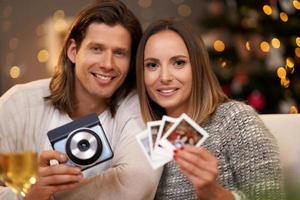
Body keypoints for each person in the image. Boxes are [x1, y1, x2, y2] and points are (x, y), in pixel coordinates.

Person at [0, 1, 162, 200]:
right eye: (97, 49)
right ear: (73, 51)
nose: (107, 64)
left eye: (119, 53)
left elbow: (138, 182)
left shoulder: (143, 109)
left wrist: (45, 195)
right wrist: (27, 195)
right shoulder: (20, 103)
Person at [136, 18, 285, 200]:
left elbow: (271, 197)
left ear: (198, 67)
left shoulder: (234, 120)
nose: (164, 77)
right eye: (152, 65)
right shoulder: (144, 134)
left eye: (179, 63)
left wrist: (214, 193)